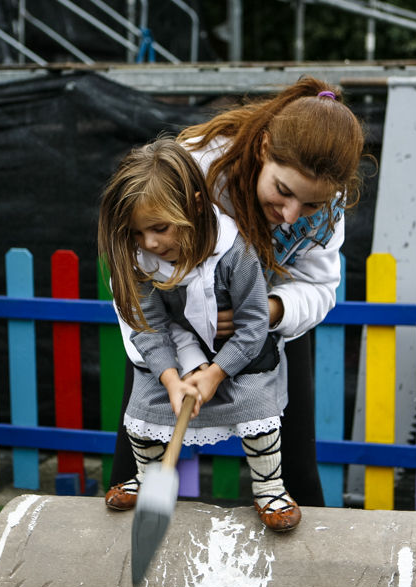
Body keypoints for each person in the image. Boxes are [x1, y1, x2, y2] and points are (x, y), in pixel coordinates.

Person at [107, 77, 365, 507]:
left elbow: (320, 287)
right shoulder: (195, 164)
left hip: (265, 332)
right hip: (169, 327)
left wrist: (268, 310)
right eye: (283, 191)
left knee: (295, 469)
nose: (291, 216)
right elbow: (133, 271)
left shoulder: (329, 208)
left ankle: (298, 536)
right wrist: (168, 364)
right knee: (138, 451)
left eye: (311, 205)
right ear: (264, 148)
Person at [98, 138, 300, 532]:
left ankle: (270, 488)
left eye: (159, 228)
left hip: (237, 353)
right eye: (137, 233)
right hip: (173, 354)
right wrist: (172, 379)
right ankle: (147, 479)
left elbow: (254, 326)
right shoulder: (139, 260)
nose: (149, 243)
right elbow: (149, 328)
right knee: (144, 404)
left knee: (255, 402)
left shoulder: (236, 253)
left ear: (193, 205)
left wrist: (216, 372)